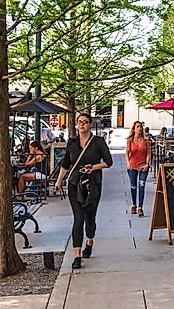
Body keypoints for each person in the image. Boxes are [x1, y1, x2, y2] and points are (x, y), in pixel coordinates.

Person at [55, 112, 113, 270]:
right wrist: (59, 180)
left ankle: (90, 241)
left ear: (90, 124)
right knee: (78, 218)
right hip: (75, 183)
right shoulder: (72, 143)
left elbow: (109, 162)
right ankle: (77, 256)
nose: (82, 125)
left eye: (85, 122)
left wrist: (93, 167)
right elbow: (66, 163)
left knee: (90, 218)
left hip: (92, 184)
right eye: (79, 122)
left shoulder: (98, 142)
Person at [126, 121, 151, 217]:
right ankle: (134, 205)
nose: (139, 128)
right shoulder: (130, 140)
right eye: (137, 127)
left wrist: (147, 164)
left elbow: (148, 153)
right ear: (134, 129)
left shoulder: (146, 140)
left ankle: (140, 207)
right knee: (133, 186)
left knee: (141, 186)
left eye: (140, 127)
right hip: (132, 166)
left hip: (143, 166)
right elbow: (127, 152)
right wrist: (128, 163)